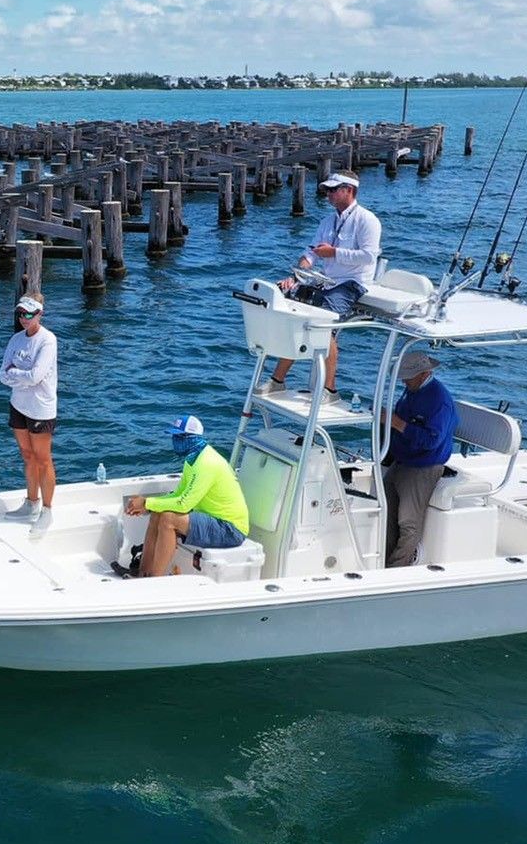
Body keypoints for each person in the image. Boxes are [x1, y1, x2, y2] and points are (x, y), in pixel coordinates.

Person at [260, 171, 382, 402]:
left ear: (349, 190)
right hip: (324, 280)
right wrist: (297, 276)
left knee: (324, 327)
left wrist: (333, 253)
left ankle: (330, 391)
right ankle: (277, 381)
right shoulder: (327, 221)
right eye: (327, 190)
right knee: (291, 314)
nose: (328, 194)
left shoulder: (368, 220)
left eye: (333, 190)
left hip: (351, 283)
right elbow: (310, 253)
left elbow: (368, 257)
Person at [122, 415, 250, 577]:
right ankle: (143, 573)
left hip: (230, 529)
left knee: (168, 519)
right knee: (158, 514)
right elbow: (178, 494)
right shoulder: (193, 460)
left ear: (192, 438)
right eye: (174, 436)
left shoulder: (207, 463)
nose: (175, 440)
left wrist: (146, 503)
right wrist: (148, 505)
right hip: (211, 518)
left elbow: (184, 504)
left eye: (179, 437)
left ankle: (154, 580)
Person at [383, 350, 456, 568]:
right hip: (401, 460)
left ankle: (397, 569)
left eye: (408, 376)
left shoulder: (438, 401)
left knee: (408, 521)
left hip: (423, 466)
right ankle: (382, 560)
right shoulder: (412, 390)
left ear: (424, 374)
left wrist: (397, 424)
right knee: (386, 512)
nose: (404, 381)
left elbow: (431, 441)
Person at [0, 294, 58, 526]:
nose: (24, 318)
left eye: (29, 314)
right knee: (27, 455)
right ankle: (31, 502)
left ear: (40, 314)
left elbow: (36, 376)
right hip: (18, 405)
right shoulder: (15, 339)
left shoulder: (47, 340)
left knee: (43, 459)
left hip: (40, 409)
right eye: (21, 313)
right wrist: (20, 375)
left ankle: (47, 509)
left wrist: (17, 373)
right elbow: (3, 374)